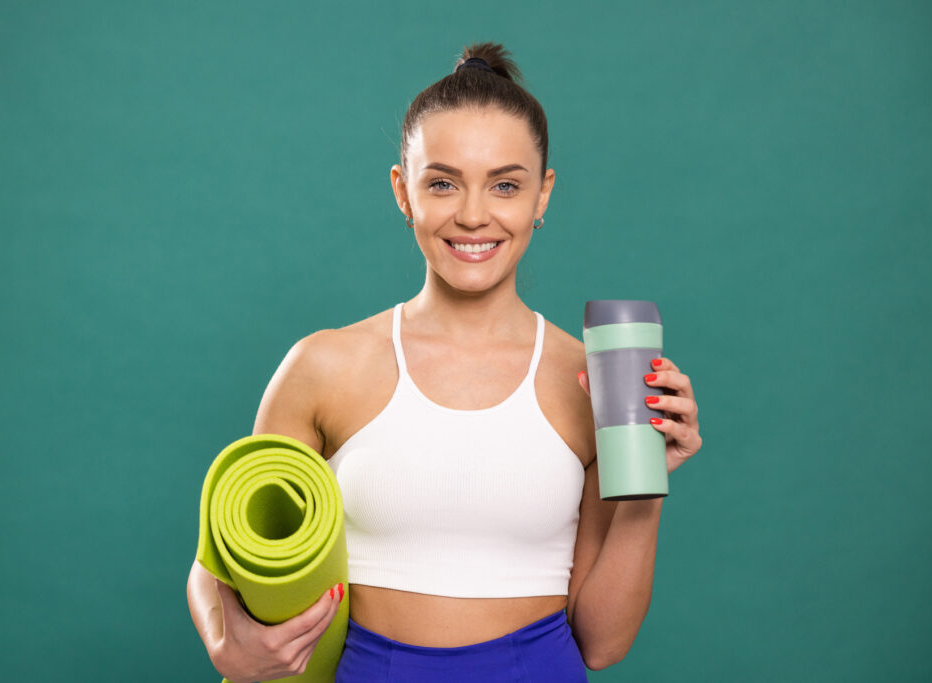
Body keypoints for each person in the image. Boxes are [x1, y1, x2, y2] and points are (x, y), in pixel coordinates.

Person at [187, 41, 703, 683]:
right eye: (443, 183)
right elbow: (224, 554)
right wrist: (222, 640)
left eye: (506, 185)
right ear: (403, 191)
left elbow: (600, 643)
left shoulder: (589, 380)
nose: (473, 215)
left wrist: (647, 481)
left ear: (543, 195)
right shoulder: (324, 366)